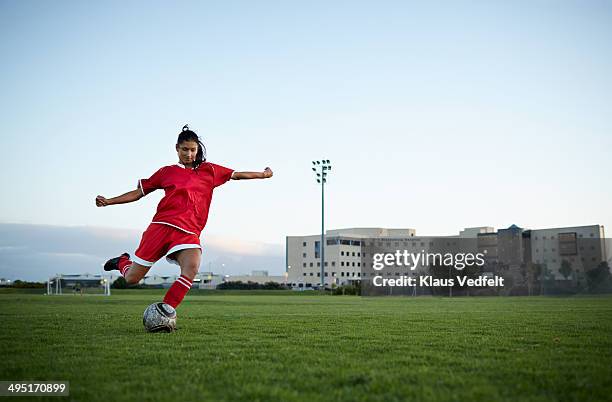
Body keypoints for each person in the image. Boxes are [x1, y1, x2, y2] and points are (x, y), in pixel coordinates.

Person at [95, 125, 273, 309]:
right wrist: (109, 201)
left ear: (198, 149)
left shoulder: (209, 170)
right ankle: (122, 261)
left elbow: (237, 175)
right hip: (161, 227)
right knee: (132, 278)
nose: (189, 154)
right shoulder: (166, 172)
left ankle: (165, 311)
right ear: (177, 148)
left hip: (188, 231)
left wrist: (264, 174)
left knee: (192, 268)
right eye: (184, 150)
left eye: (193, 150)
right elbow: (139, 193)